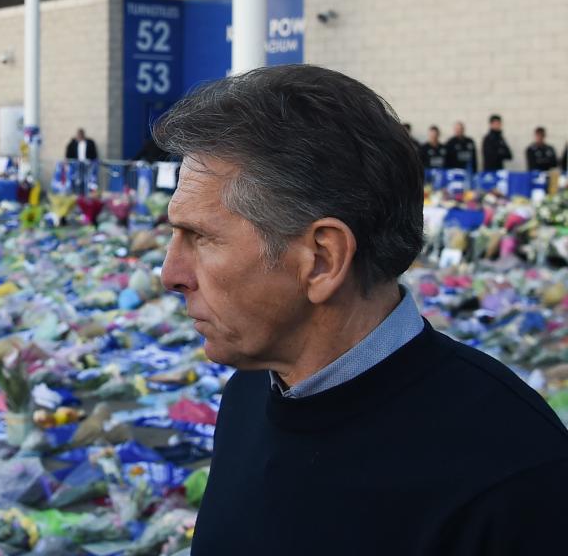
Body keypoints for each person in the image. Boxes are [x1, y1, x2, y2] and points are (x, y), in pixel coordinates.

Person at [154, 65, 568, 555]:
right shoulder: (248, 394)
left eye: (199, 237)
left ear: (323, 260)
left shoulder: (515, 477)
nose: (170, 273)